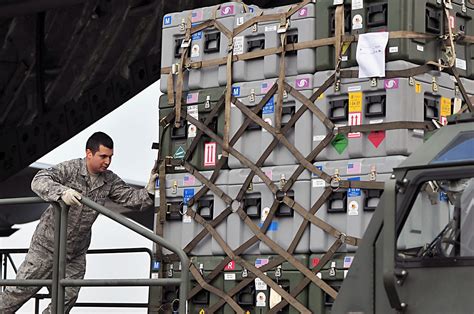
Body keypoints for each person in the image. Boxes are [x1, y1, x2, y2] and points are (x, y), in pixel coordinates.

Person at [0, 131, 158, 313]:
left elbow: (131, 198)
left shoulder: (109, 180)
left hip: (74, 253)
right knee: (16, 294)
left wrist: (150, 190)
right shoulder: (71, 169)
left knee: (67, 298)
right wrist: (62, 193)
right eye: (103, 156)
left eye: (110, 157)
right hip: (47, 247)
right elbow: (39, 180)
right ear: (89, 153)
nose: (107, 161)